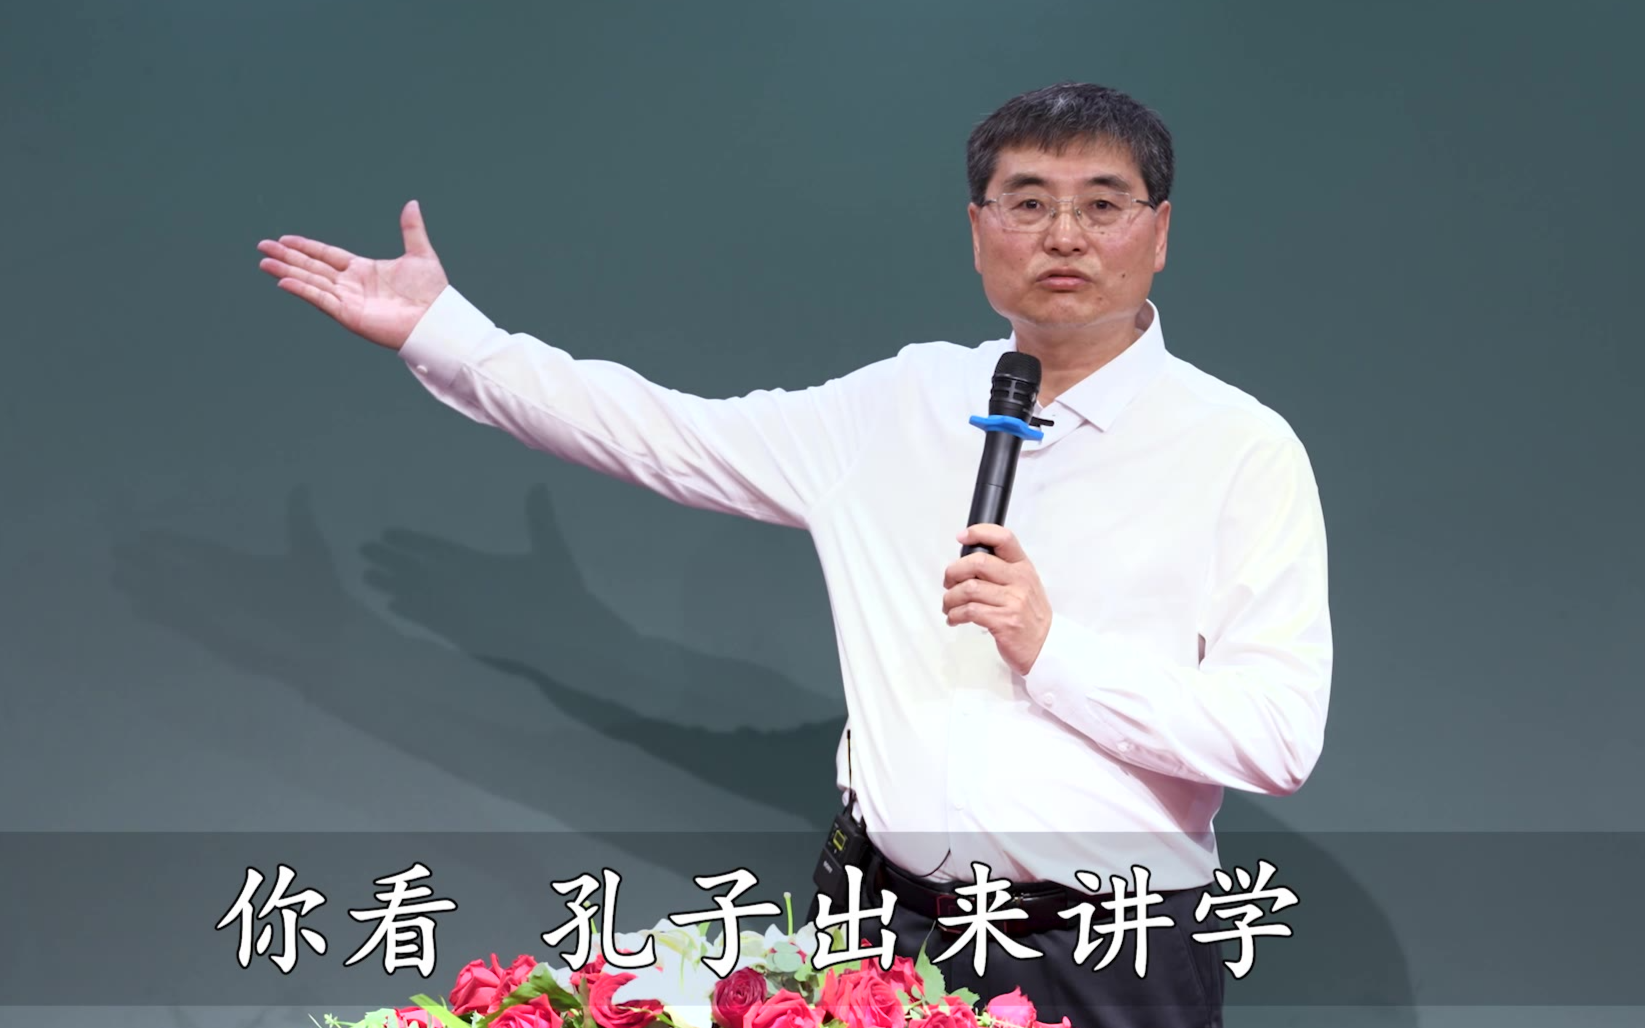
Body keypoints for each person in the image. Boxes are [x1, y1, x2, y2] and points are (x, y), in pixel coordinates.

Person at [256, 82, 1331, 1027]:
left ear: (1158, 231)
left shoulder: (1239, 449)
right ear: (977, 231)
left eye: (1101, 205)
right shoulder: (902, 401)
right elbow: (666, 432)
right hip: (877, 928)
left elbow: (1277, 738)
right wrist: (448, 333)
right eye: (1026, 202)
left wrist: (1051, 648)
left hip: (1099, 951)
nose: (1063, 235)